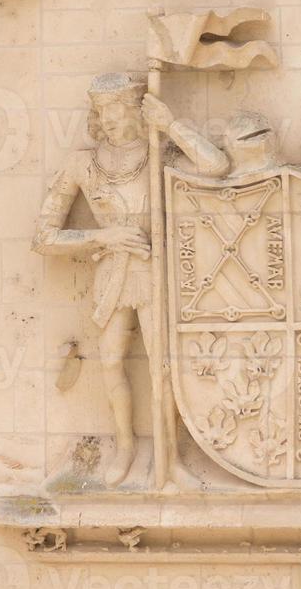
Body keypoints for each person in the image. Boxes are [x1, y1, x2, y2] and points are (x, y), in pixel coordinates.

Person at [32, 73, 227, 487]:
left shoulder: (160, 153)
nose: (111, 120)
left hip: (157, 270)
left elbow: (216, 166)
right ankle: (124, 445)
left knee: (163, 365)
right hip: (112, 273)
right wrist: (103, 235)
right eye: (104, 112)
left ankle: (169, 455)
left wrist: (170, 124)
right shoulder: (81, 163)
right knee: (111, 361)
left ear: (138, 112)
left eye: (119, 110)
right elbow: (44, 236)